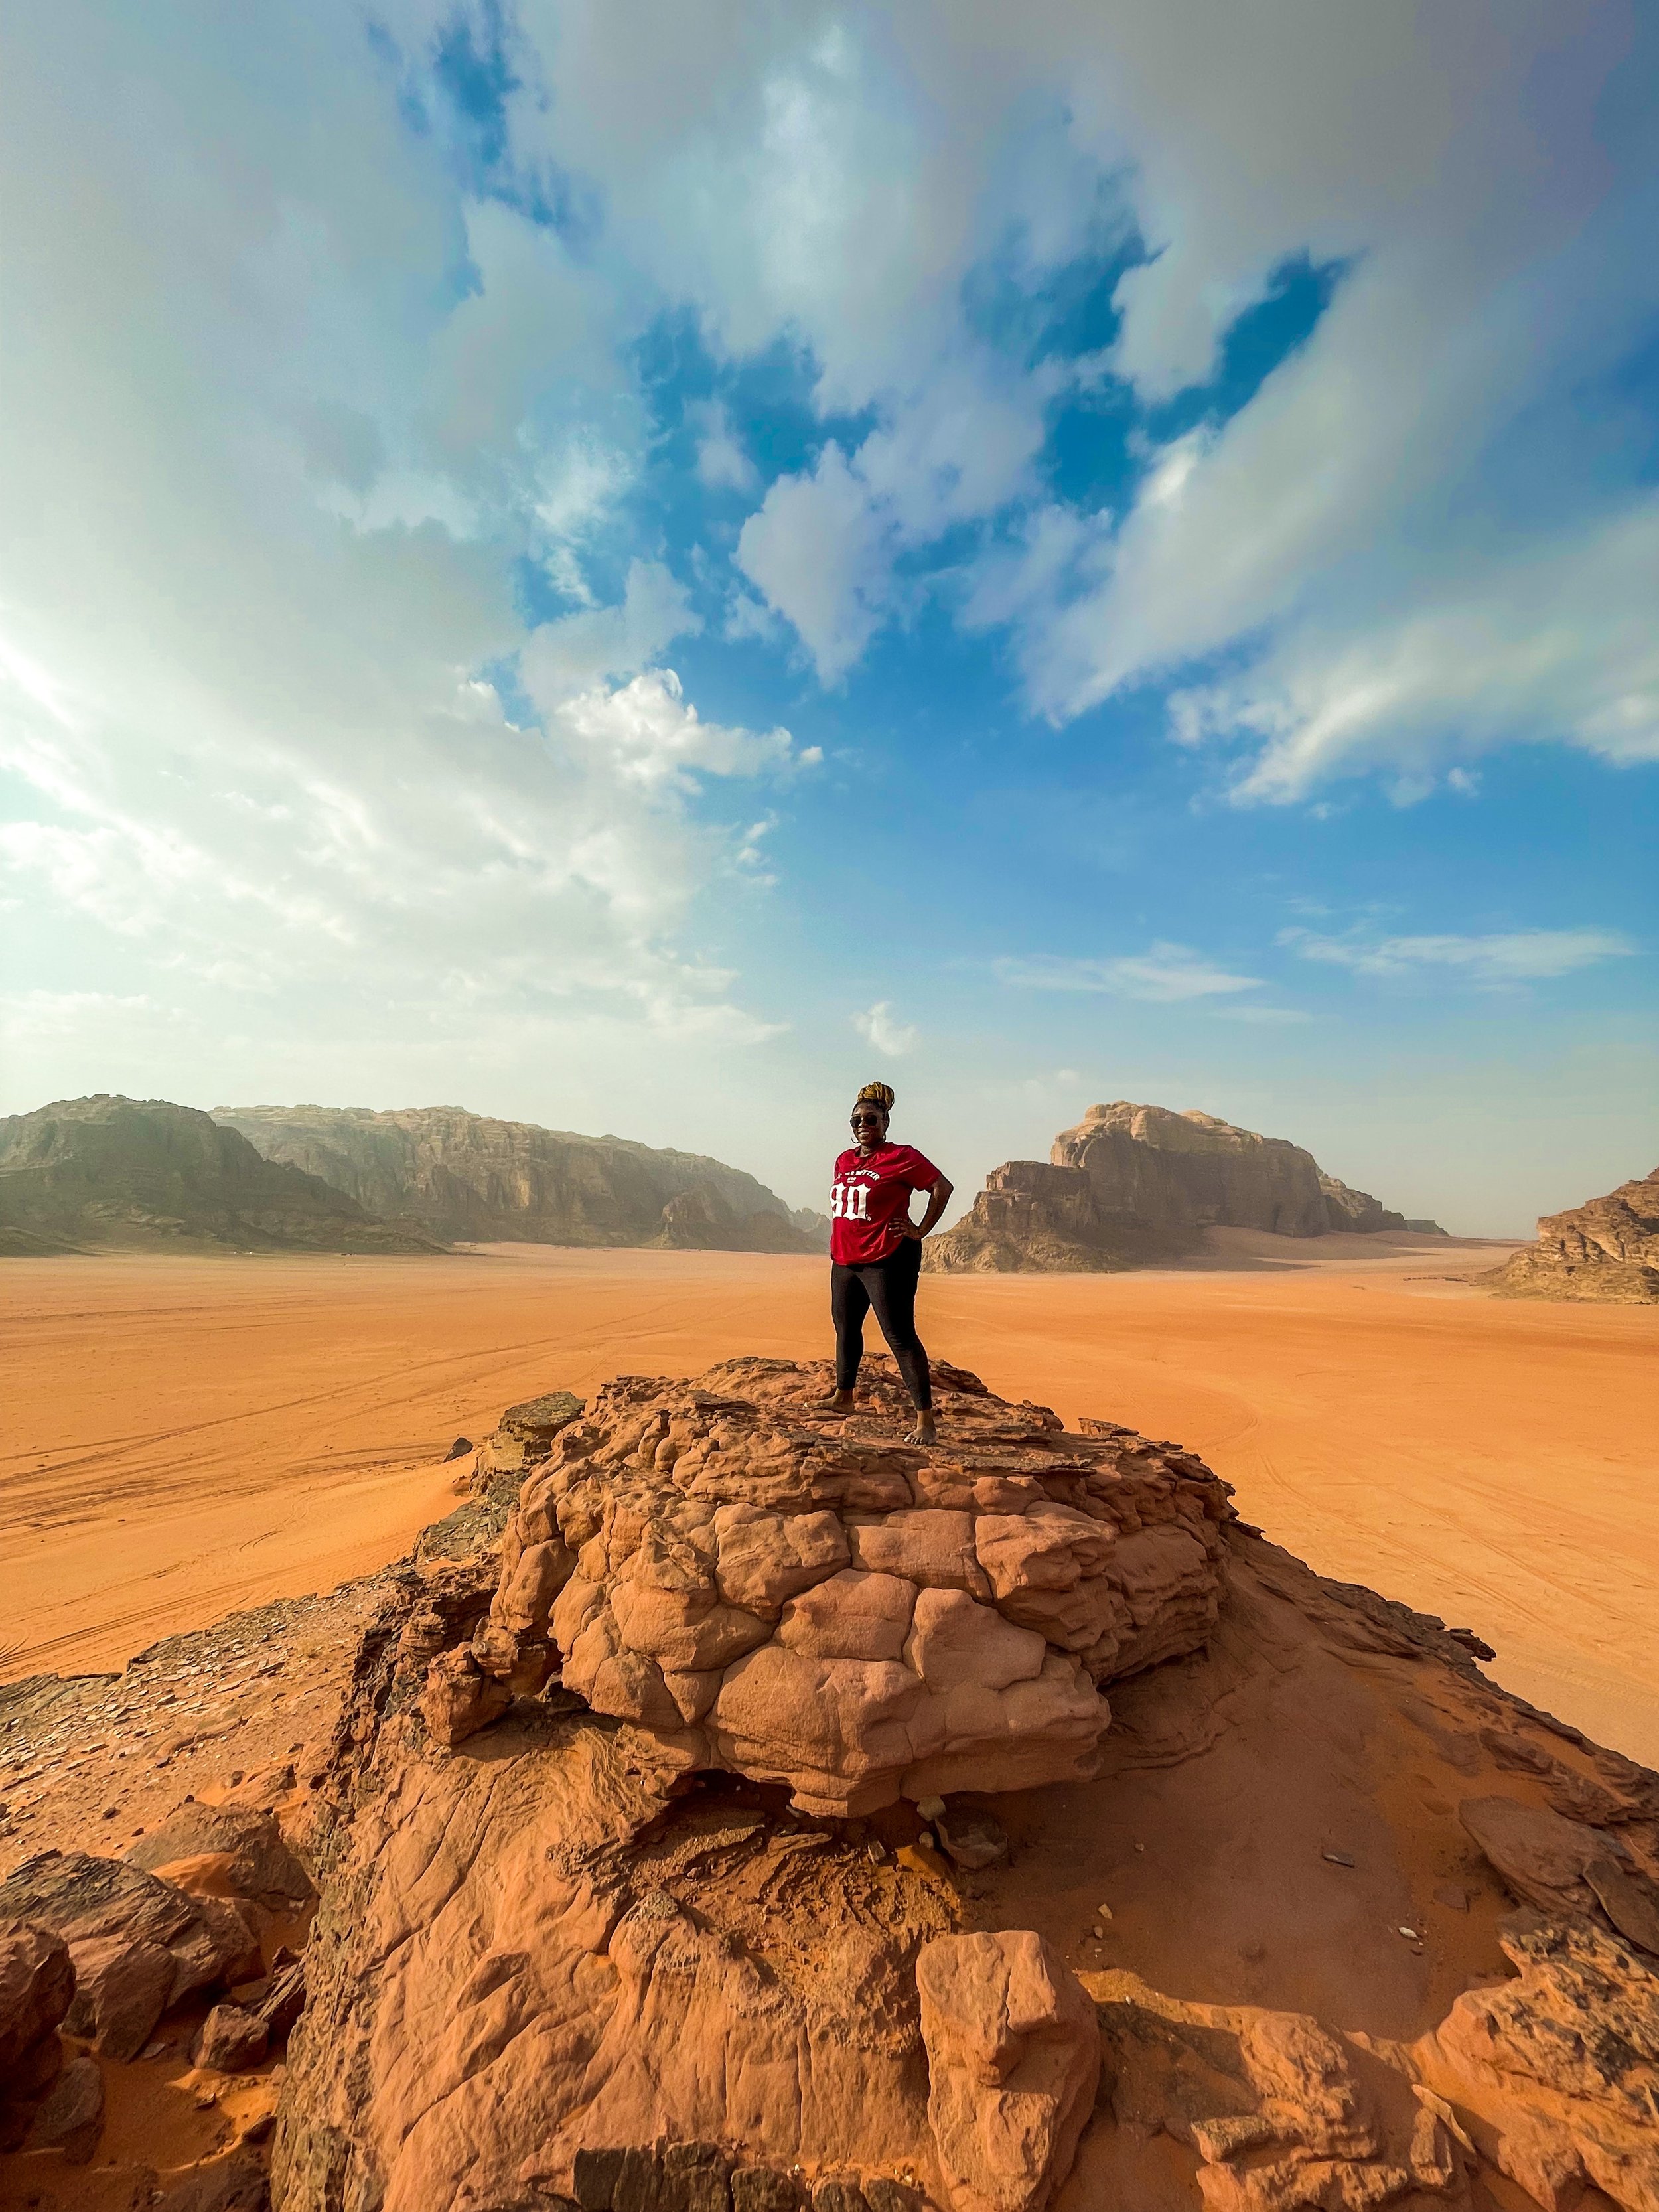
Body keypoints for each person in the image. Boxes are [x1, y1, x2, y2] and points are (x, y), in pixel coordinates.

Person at [824, 1081, 952, 1444]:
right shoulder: (844, 1160)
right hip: (845, 1259)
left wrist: (921, 1229)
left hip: (888, 1258)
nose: (864, 1125)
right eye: (857, 1120)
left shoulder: (903, 1157)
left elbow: (942, 1187)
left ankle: (926, 1421)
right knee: (846, 1329)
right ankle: (843, 1396)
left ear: (885, 1122)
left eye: (871, 1119)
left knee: (899, 1335)